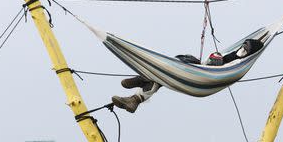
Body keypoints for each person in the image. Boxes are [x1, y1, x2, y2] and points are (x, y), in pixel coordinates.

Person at [111, 39, 264, 113]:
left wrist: (215, 59)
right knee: (166, 74)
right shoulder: (237, 54)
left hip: (208, 74)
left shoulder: (239, 63)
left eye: (246, 47)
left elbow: (223, 64)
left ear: (250, 51)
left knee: (178, 63)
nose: (243, 48)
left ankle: (145, 78)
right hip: (202, 72)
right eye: (244, 45)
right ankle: (135, 99)